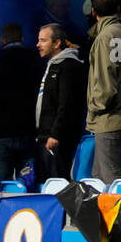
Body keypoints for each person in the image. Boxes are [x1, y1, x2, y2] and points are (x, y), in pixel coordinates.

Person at [85, 0, 121, 185]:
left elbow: (105, 84)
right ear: (118, 10)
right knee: (102, 177)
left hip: (109, 118)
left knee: (110, 180)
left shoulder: (104, 37)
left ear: (94, 12)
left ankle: (118, 215)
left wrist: (95, 107)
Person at [0, 23, 44, 183]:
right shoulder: (37, 61)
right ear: (22, 38)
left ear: (1, 41)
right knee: (29, 184)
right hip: (29, 133)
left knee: (0, 186)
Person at [34, 24, 87, 181]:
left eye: (43, 40)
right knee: (43, 184)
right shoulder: (51, 65)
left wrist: (56, 133)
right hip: (43, 137)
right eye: (38, 40)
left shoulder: (69, 66)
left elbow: (68, 104)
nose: (38, 45)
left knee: (58, 183)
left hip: (57, 139)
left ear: (57, 43)